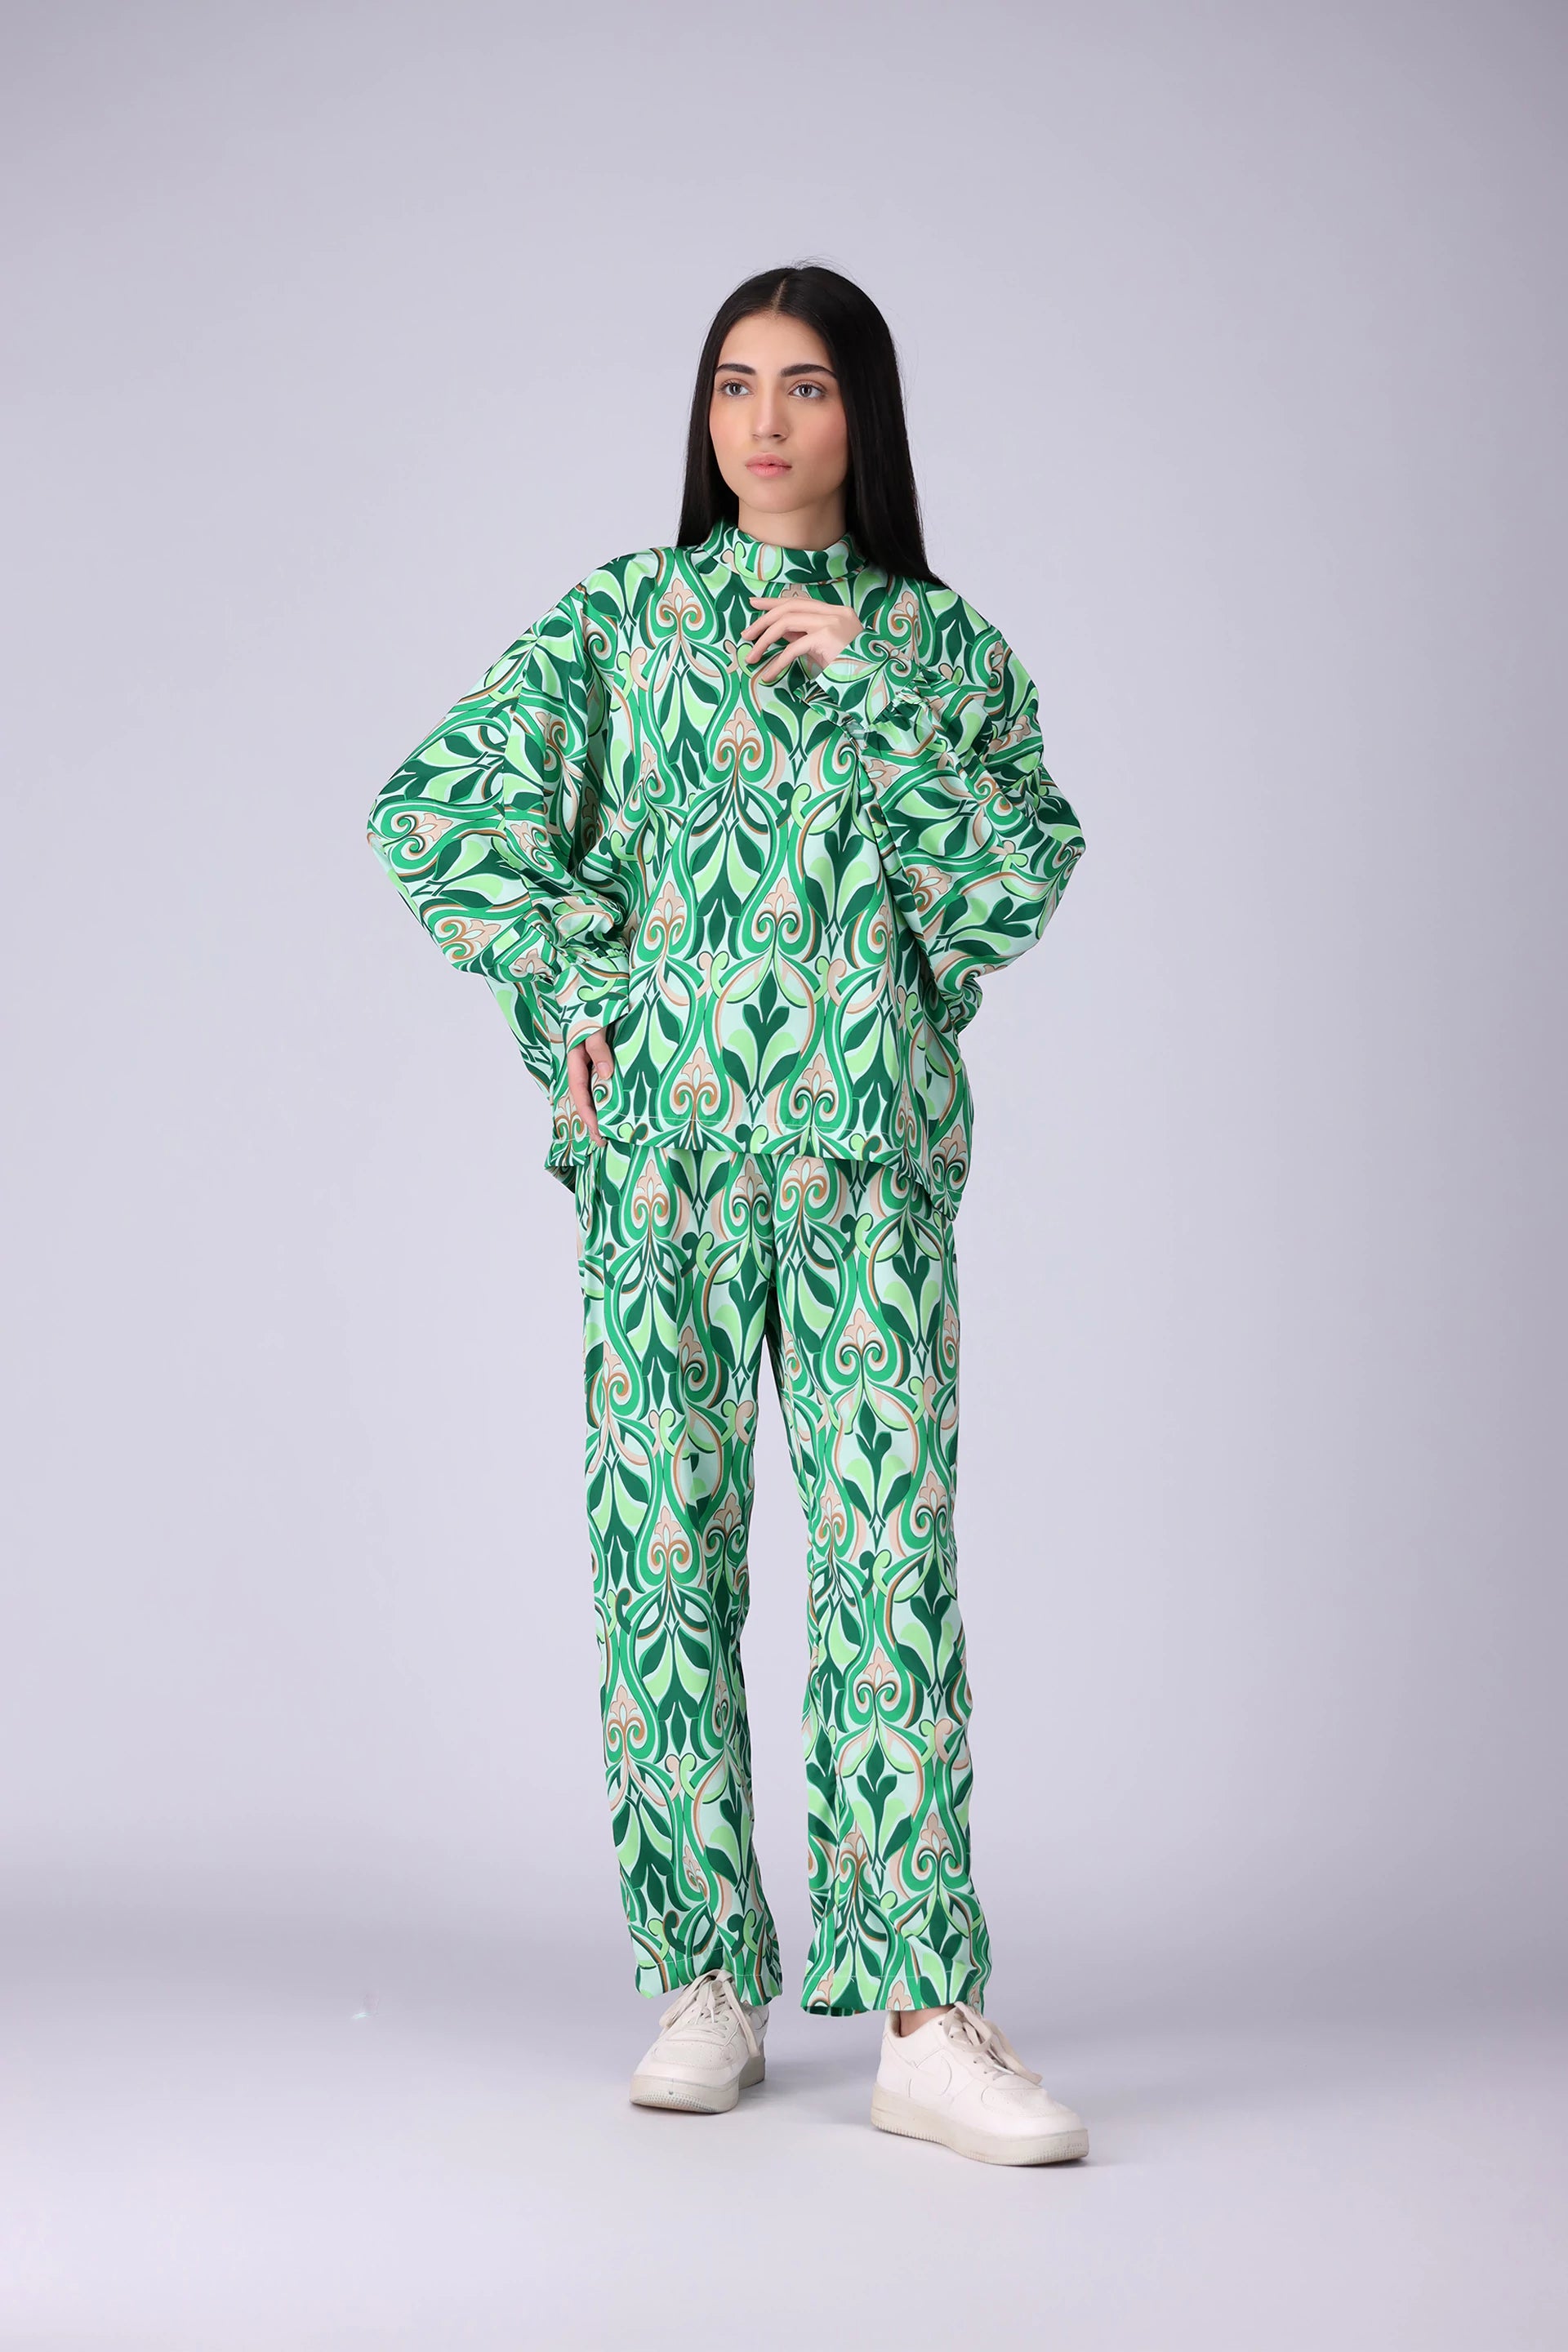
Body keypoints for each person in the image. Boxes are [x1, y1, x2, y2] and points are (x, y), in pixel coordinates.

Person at [367, 263, 1089, 2167]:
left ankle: (924, 2016)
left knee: (888, 1573)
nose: (766, 422)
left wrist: (872, 693)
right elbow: (436, 812)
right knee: (663, 1571)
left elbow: (1008, 893)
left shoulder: (944, 648)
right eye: (735, 385)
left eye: (809, 385)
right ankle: (705, 1978)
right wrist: (572, 992)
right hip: (666, 1178)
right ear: (705, 416)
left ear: (866, 414)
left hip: (865, 1178)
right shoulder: (624, 622)